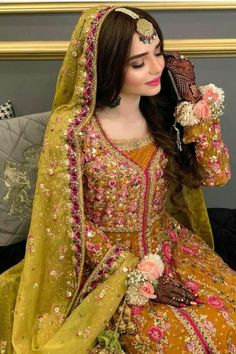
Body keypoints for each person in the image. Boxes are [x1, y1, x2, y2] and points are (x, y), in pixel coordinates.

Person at [0, 5, 235, 354]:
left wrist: (192, 100)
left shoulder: (163, 113)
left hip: (169, 248)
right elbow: (70, 221)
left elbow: (216, 176)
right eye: (138, 62)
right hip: (101, 267)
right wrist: (135, 275)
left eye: (158, 53)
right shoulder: (73, 131)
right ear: (107, 67)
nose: (156, 68)